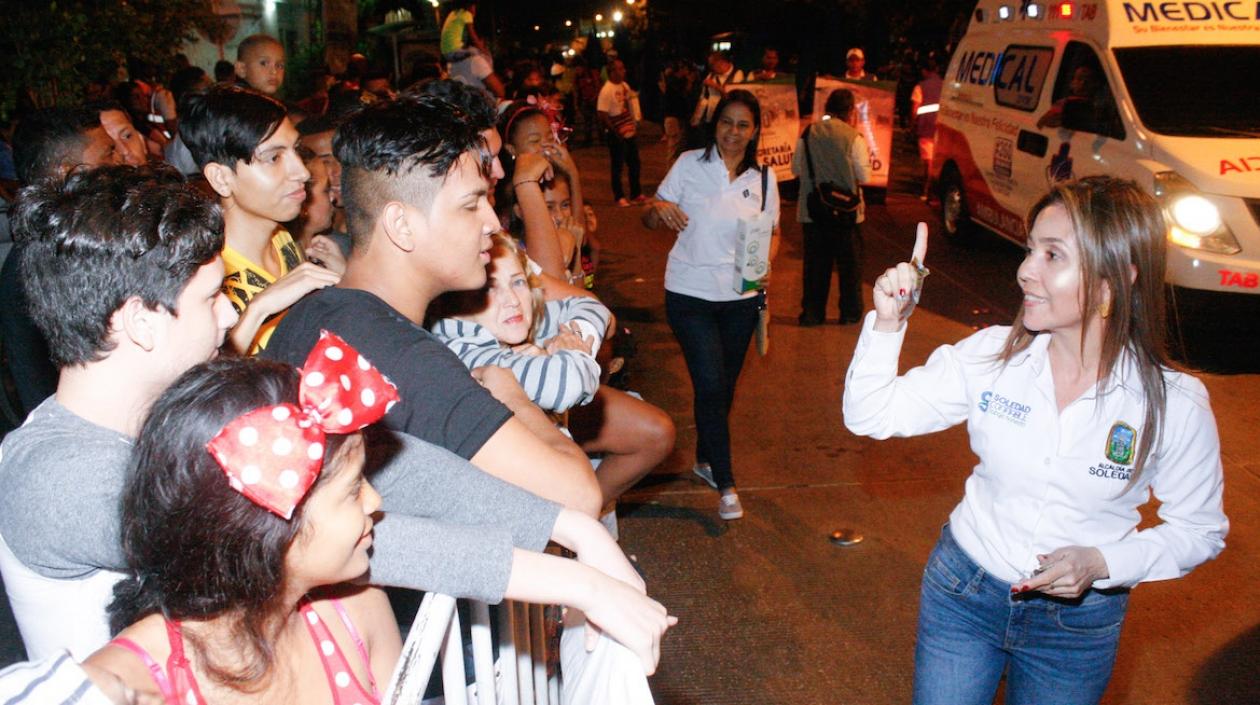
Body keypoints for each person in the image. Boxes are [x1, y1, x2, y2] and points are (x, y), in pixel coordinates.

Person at [843, 177, 1228, 705]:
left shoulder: (1174, 403)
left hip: (1077, 629)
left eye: (1053, 255)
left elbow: (1199, 530)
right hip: (963, 593)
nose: (1026, 270)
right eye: (1030, 251)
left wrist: (1101, 562)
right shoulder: (990, 357)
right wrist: (888, 324)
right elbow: (871, 414)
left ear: (1117, 277)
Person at [262, 93, 603, 517]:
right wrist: (512, 396)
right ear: (401, 224)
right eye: (470, 205)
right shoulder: (404, 360)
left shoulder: (315, 312)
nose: (492, 223)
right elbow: (579, 496)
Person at [84, 352, 403, 703]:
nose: (374, 501)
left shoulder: (358, 612)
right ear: (266, 529)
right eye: (353, 489)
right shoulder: (125, 686)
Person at [642, 90, 780, 521]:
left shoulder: (763, 179)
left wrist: (767, 265)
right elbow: (650, 213)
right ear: (714, 123)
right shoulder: (689, 164)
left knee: (722, 387)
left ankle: (704, 458)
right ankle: (726, 482)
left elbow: (772, 233)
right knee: (709, 383)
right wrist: (659, 210)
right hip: (689, 294)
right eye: (726, 122)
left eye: (743, 125)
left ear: (755, 130)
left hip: (740, 298)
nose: (733, 132)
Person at [181, 85, 340, 354]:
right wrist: (258, 309)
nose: (301, 172)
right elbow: (204, 388)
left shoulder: (281, 238)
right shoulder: (205, 278)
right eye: (274, 158)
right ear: (221, 178)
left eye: (296, 150)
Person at [0, 107, 122, 419]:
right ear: (70, 171)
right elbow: (35, 388)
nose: (121, 159)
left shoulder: (90, 240)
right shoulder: (37, 265)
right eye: (108, 153)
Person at [431, 232, 607, 414]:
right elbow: (569, 384)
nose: (513, 300)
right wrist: (575, 352)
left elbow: (591, 305)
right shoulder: (465, 356)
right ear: (452, 300)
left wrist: (573, 339)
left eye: (518, 282)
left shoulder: (505, 323)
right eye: (489, 288)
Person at [791, 88, 870, 326]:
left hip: (813, 211)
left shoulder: (808, 134)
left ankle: (813, 314)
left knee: (815, 267)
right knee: (850, 267)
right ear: (850, 111)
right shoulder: (853, 137)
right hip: (846, 214)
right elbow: (864, 175)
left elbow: (796, 169)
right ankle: (850, 313)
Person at [597, 59, 644, 207]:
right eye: (619, 69)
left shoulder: (624, 86)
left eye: (623, 68)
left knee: (634, 163)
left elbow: (629, 104)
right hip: (616, 132)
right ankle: (619, 196)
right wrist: (615, 131)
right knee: (617, 165)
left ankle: (636, 193)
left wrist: (633, 122)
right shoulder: (607, 90)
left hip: (628, 130)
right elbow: (602, 113)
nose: (623, 71)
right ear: (612, 72)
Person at [441, 1, 505, 98]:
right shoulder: (476, 60)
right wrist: (483, 50)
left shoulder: (453, 14)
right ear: (471, 6)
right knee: (483, 56)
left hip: (447, 53)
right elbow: (500, 92)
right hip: (480, 107)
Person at [910, 54, 943, 201]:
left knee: (928, 161)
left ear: (924, 71)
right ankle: (937, 192)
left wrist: (912, 126)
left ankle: (926, 191)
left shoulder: (920, 86)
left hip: (926, 127)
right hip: (942, 128)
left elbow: (914, 109)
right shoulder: (946, 85)